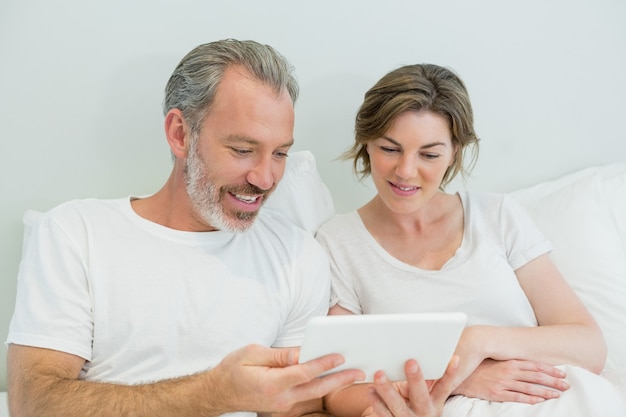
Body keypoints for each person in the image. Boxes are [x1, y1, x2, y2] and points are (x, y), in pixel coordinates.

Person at [5, 39, 372, 417]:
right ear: (180, 134)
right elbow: (34, 404)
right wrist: (213, 393)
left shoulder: (297, 255)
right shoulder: (75, 234)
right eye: (243, 150)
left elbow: (300, 409)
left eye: (280, 153)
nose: (265, 178)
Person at [315, 64, 626, 416]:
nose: (405, 170)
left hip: (555, 399)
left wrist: (479, 340)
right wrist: (459, 376)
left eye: (429, 154)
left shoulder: (497, 215)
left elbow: (589, 345)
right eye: (390, 148)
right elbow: (337, 391)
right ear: (366, 143)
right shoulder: (338, 242)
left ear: (454, 153)